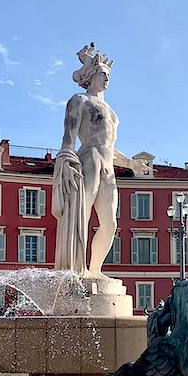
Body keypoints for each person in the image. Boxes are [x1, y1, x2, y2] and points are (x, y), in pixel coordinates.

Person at [52, 43, 147, 279]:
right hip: (90, 157)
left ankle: (95, 270)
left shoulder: (111, 111)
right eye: (103, 74)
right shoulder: (80, 100)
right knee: (80, 214)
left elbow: (111, 147)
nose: (106, 79)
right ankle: (78, 269)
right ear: (91, 75)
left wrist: (132, 164)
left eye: (108, 75)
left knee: (109, 224)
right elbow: (68, 138)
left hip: (108, 163)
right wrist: (67, 161)